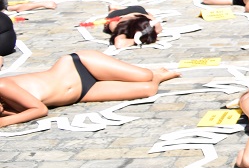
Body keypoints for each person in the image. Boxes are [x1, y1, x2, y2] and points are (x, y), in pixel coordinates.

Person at [0, 50, 180, 127]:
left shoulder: (2, 86)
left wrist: (3, 122)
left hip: (78, 66)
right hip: (81, 94)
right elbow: (33, 110)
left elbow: (39, 109)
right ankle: (160, 76)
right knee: (148, 89)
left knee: (144, 76)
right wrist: (6, 115)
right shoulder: (4, 108)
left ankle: (154, 73)